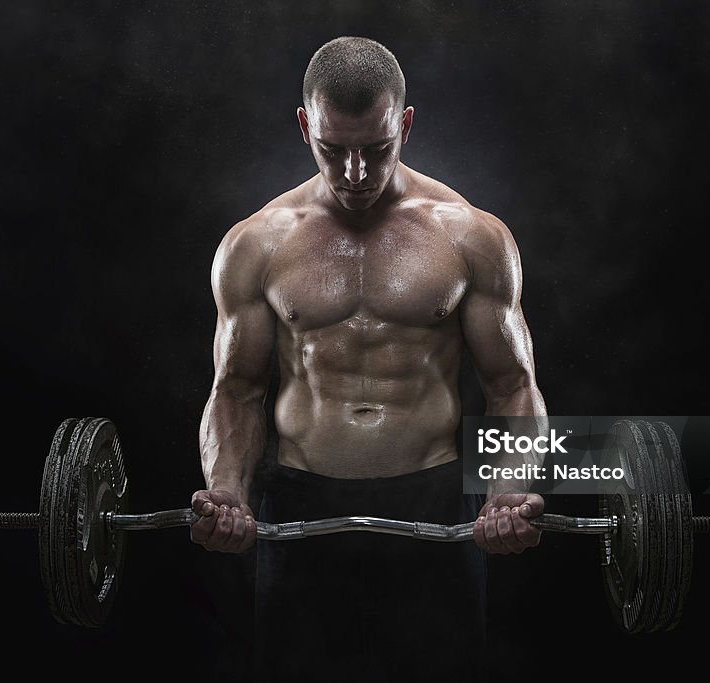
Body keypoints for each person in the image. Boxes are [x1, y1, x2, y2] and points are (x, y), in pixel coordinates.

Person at [189, 36, 547, 681]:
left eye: (377, 148)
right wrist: (227, 490)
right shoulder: (256, 244)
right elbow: (236, 389)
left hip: (436, 503)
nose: (356, 172)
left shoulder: (471, 236)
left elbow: (510, 384)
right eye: (333, 149)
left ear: (404, 123)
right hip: (300, 508)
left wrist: (507, 490)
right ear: (305, 126)